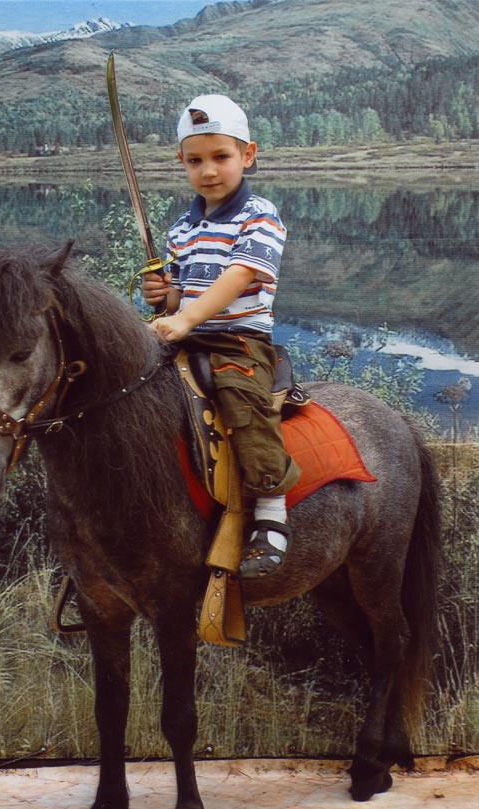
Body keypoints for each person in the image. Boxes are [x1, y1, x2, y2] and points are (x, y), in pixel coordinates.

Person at [142, 94, 300, 578]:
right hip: (186, 336)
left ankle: (272, 511)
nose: (208, 171)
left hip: (238, 339)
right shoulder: (181, 230)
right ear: (181, 163)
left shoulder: (260, 214)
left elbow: (239, 276)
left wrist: (185, 319)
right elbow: (180, 297)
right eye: (195, 161)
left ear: (247, 155)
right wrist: (165, 297)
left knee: (240, 399)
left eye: (221, 157)